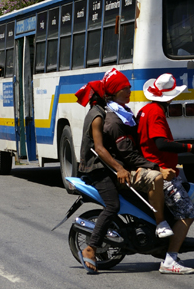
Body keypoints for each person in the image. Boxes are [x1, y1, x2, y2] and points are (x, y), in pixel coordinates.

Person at [75, 69, 174, 274]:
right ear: (110, 92)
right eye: (124, 89)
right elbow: (100, 149)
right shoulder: (98, 116)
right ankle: (91, 248)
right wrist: (120, 168)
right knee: (113, 205)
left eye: (129, 88)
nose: (129, 91)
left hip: (108, 166)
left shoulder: (119, 112)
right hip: (96, 168)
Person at [137, 73, 194, 275]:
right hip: (162, 172)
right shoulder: (156, 113)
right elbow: (161, 143)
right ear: (169, 97)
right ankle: (170, 259)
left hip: (159, 168)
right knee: (188, 213)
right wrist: (191, 148)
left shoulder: (146, 110)